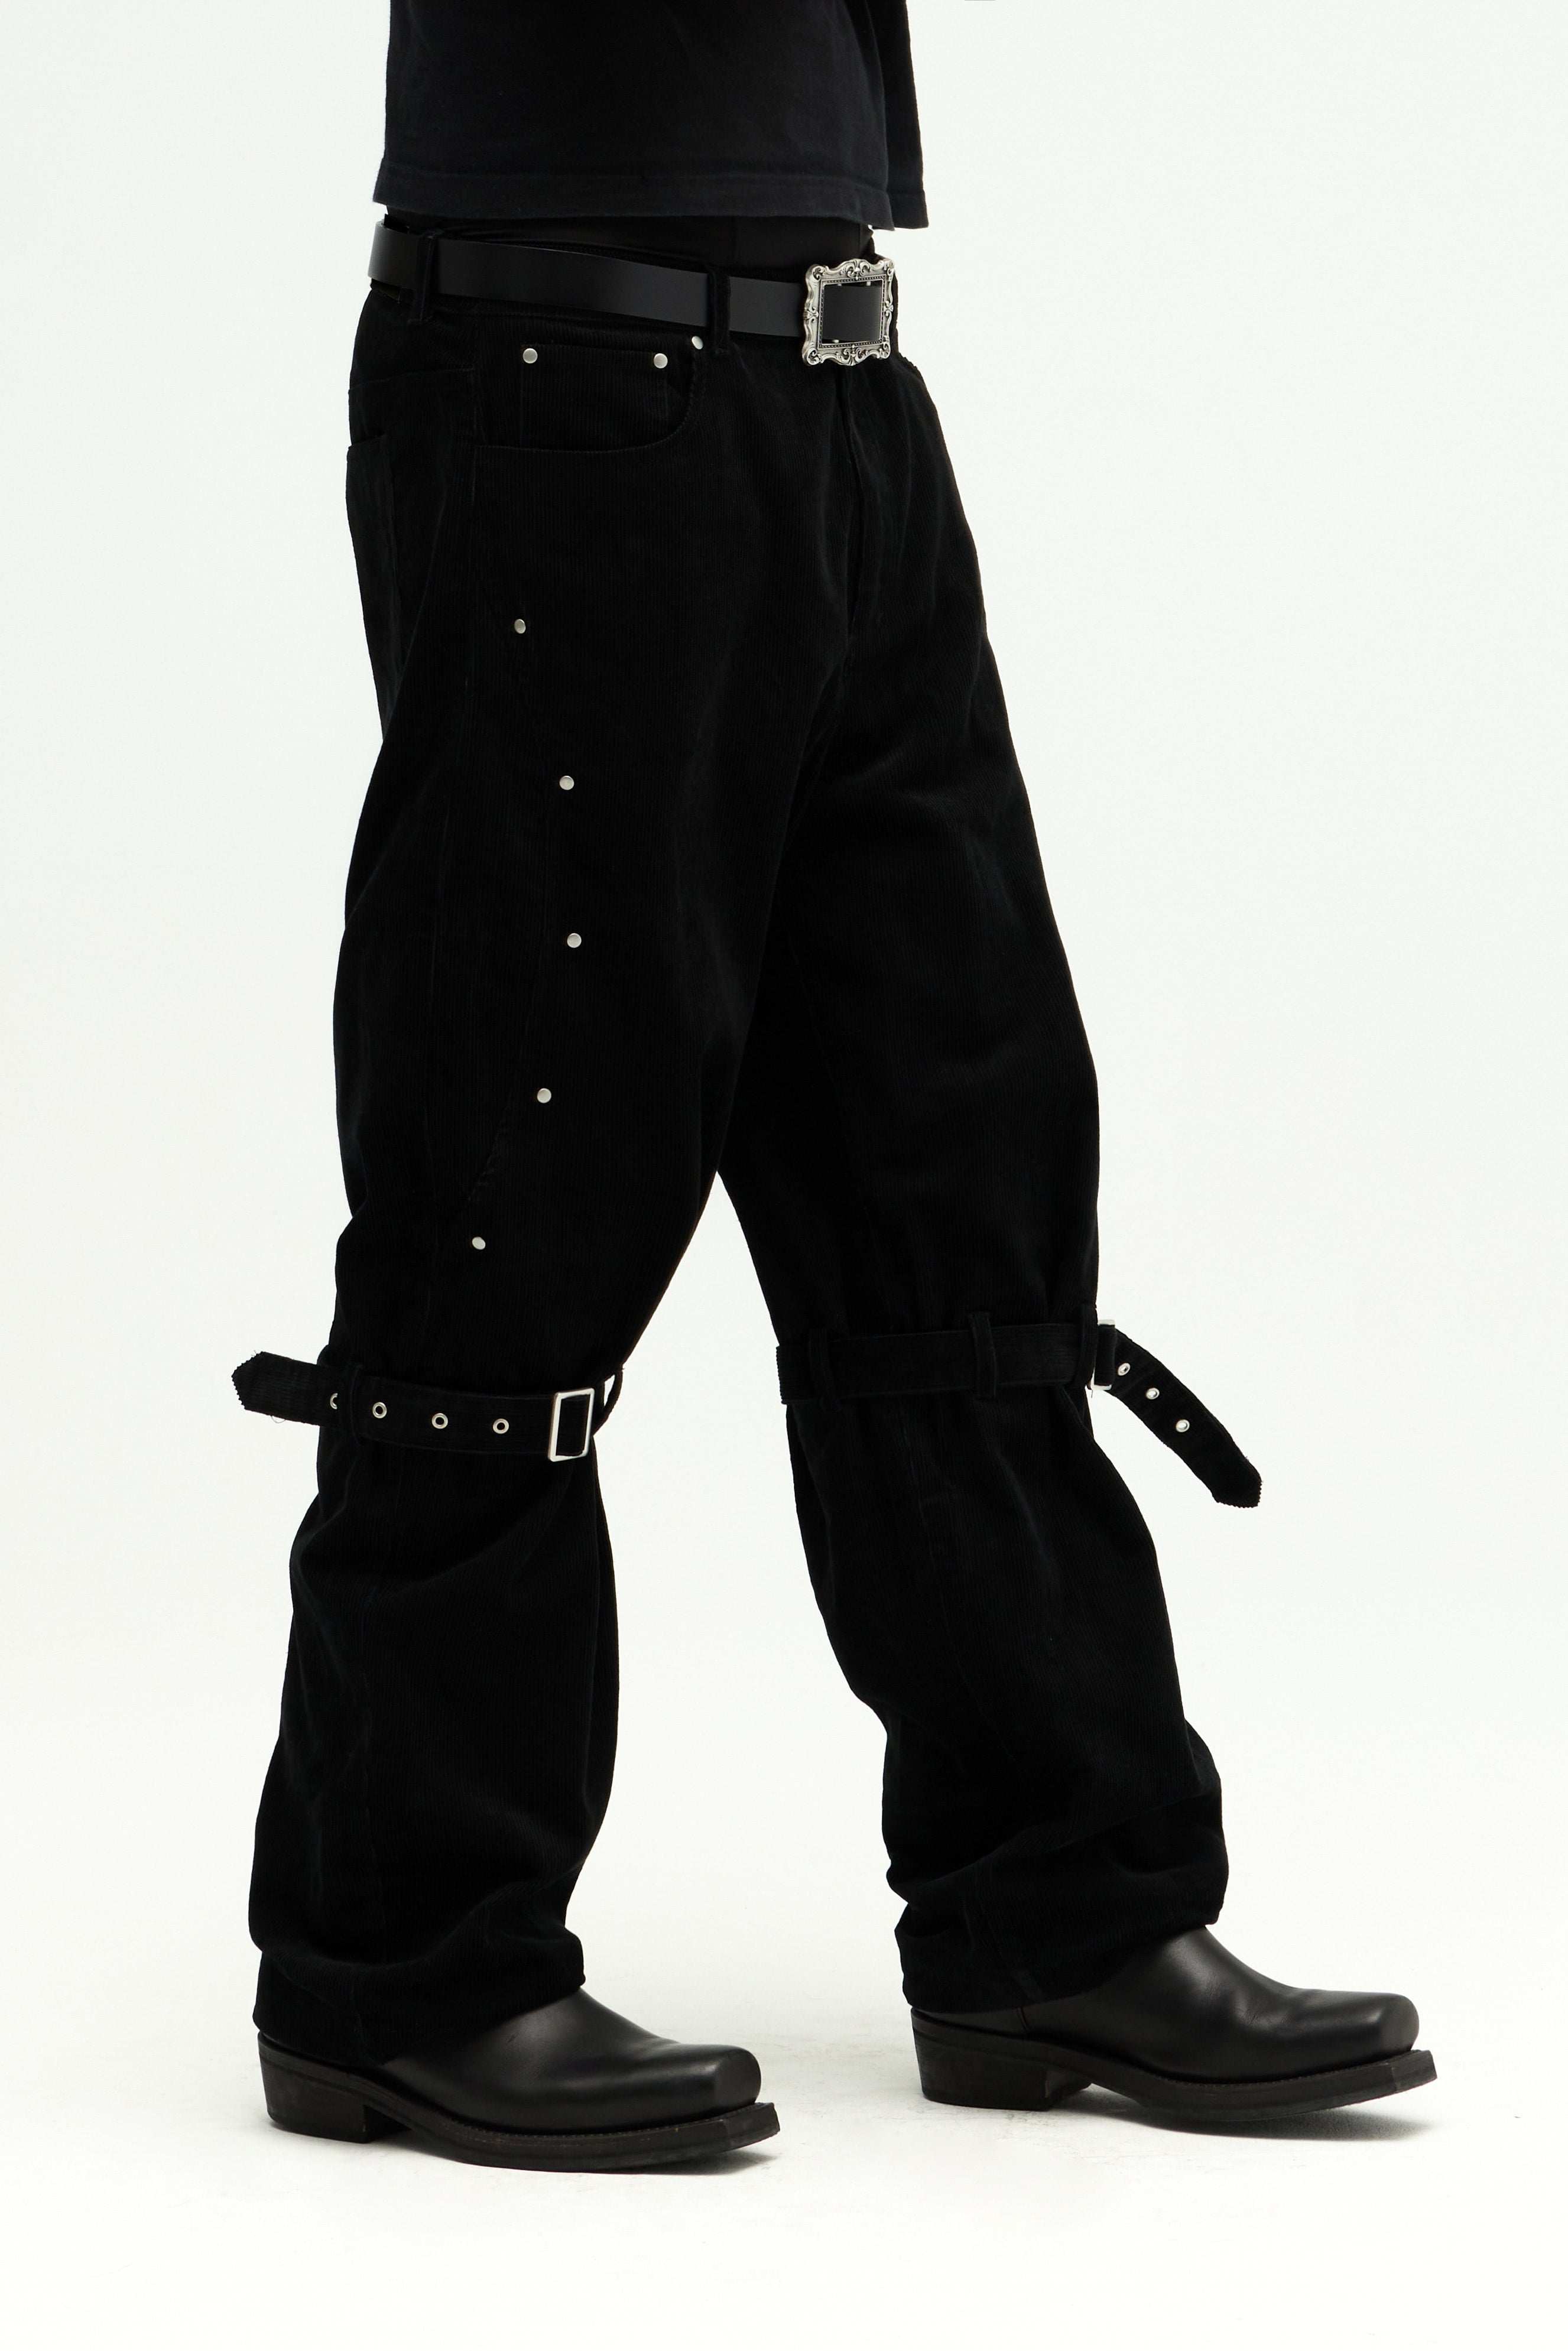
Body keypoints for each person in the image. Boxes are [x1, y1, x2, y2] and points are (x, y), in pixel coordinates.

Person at [236, 2, 1431, 2170]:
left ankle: (1057, 1914)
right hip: (569, 379)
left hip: (842, 391)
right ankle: (396, 1960)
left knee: (953, 1145)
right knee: (521, 1158)